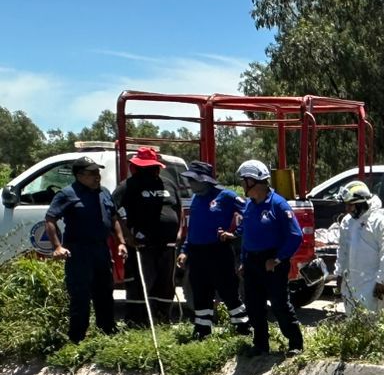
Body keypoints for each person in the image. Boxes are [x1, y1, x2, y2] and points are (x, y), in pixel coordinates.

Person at [44, 156, 127, 343]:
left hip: (101, 250)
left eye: (98, 172)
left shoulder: (104, 192)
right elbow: (50, 219)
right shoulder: (67, 194)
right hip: (78, 252)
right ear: (79, 175)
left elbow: (114, 218)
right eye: (92, 173)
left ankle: (107, 333)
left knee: (105, 293)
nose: (97, 176)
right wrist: (57, 246)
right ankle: (77, 339)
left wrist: (121, 242)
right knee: (80, 296)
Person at [237, 160, 304, 356]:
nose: (242, 185)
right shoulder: (249, 206)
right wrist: (243, 260)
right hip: (252, 261)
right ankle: (260, 345)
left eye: (243, 181)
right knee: (254, 304)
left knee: (279, 303)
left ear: (252, 181)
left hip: (272, 261)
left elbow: (295, 235)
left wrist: (277, 258)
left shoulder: (278, 204)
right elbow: (246, 236)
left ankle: (295, 343)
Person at [175, 161, 248, 338]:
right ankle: (202, 331)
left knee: (228, 291)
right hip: (197, 254)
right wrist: (184, 251)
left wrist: (235, 233)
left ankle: (243, 329)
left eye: (193, 180)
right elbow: (193, 229)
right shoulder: (195, 199)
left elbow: (249, 213)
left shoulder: (225, 195)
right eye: (189, 179)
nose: (190, 184)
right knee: (200, 292)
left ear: (205, 180)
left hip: (218, 252)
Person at [114, 146, 181, 325]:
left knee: (165, 284)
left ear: (158, 167)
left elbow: (178, 208)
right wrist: (125, 236)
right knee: (140, 283)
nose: (149, 170)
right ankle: (137, 322)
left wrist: (179, 231)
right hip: (142, 246)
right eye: (145, 167)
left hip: (167, 246)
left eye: (152, 167)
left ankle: (162, 319)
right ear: (136, 167)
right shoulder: (128, 185)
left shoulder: (168, 184)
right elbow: (112, 211)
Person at [335, 183, 384, 317]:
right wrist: (339, 274)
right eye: (346, 205)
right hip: (351, 282)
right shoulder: (347, 221)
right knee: (352, 321)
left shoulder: (380, 222)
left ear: (361, 204)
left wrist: (382, 281)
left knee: (371, 321)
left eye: (351, 205)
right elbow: (342, 250)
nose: (347, 209)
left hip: (373, 284)